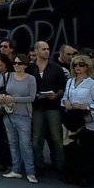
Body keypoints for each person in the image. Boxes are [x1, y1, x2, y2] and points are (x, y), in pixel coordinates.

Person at [61, 54, 94, 187]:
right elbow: (64, 98)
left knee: (86, 150)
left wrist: (85, 106)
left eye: (81, 65)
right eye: (75, 65)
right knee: (71, 148)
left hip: (86, 119)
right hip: (71, 118)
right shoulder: (69, 81)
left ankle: (85, 176)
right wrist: (66, 102)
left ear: (87, 67)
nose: (78, 67)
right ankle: (72, 174)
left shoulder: (93, 84)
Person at [0, 54, 38, 183]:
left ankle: (31, 172)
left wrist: (14, 99)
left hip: (23, 115)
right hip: (8, 113)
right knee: (12, 142)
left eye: (19, 63)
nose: (16, 65)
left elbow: (32, 98)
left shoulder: (31, 79)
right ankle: (16, 170)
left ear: (25, 65)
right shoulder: (8, 76)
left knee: (25, 144)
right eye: (15, 63)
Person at [28, 40, 66, 177]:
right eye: (43, 49)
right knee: (36, 138)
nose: (47, 51)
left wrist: (56, 95)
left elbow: (63, 87)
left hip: (53, 107)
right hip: (37, 107)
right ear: (36, 51)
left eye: (48, 49)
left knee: (56, 138)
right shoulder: (30, 68)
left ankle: (61, 167)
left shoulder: (56, 68)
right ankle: (38, 166)